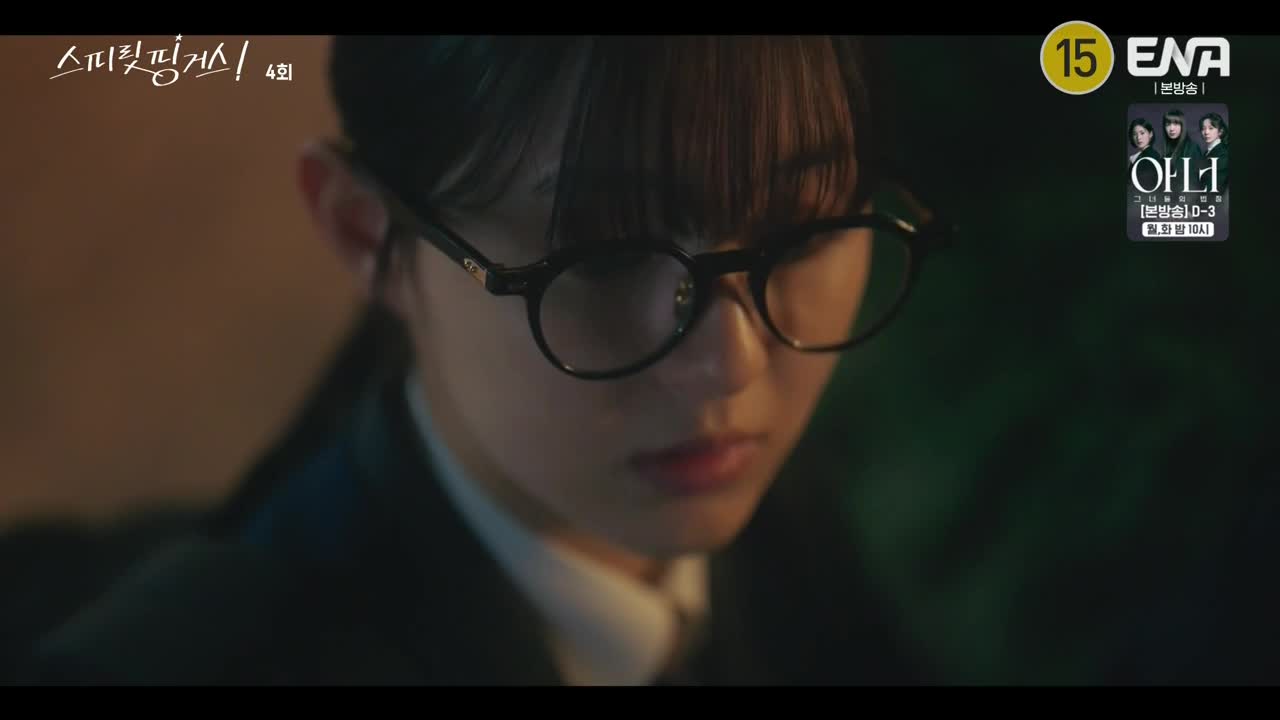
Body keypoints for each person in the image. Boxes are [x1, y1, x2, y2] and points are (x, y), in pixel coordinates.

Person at [22, 36, 955, 686]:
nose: (734, 364)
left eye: (805, 231)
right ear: (366, 231)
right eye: (604, 254)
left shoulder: (774, 510)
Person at [1160, 109, 1204, 190]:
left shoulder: (1192, 148)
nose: (1171, 128)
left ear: (1182, 126)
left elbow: (1195, 183)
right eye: (1168, 124)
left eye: (1176, 124)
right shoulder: (1167, 151)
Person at [1128, 118, 1163, 193]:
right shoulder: (1139, 156)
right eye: (1134, 134)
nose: (1138, 137)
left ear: (1150, 134)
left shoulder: (1151, 156)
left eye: (1142, 133)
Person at [1199, 112, 1229, 193]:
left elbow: (1215, 186)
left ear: (1220, 131)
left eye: (1211, 128)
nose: (1206, 132)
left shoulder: (1223, 154)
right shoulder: (1207, 152)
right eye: (1203, 128)